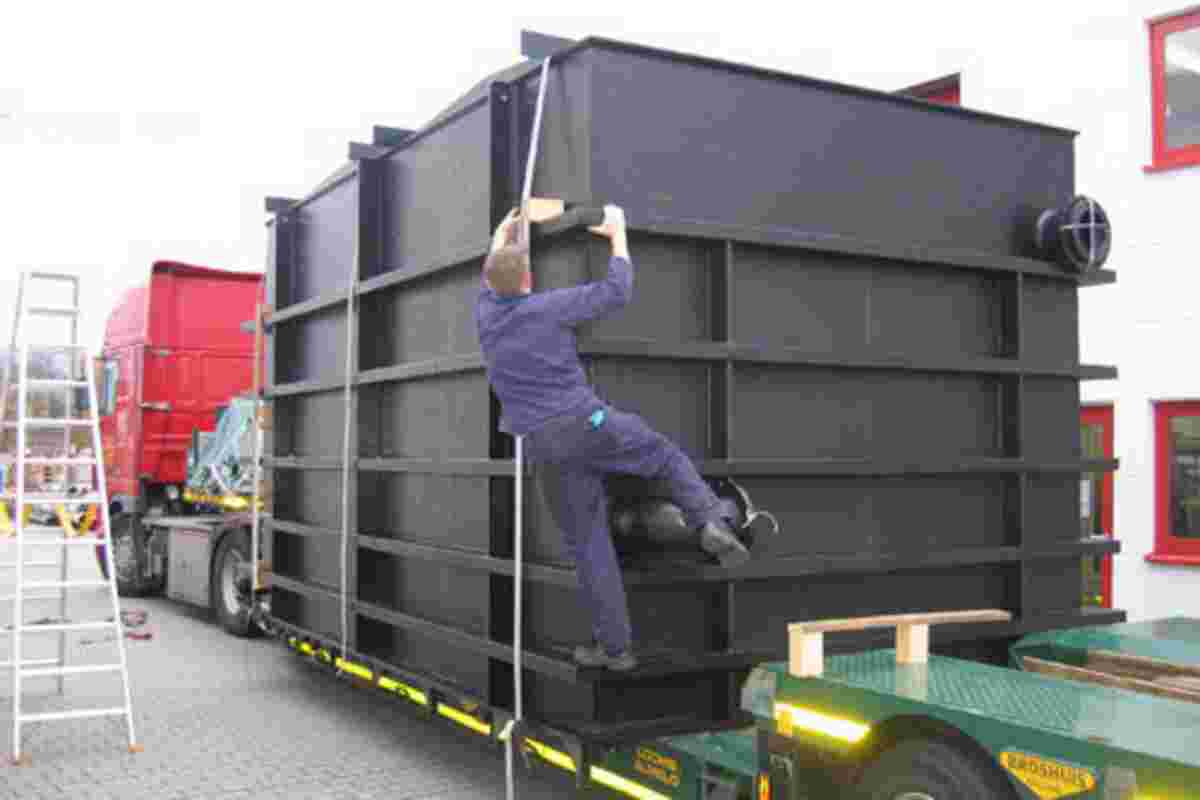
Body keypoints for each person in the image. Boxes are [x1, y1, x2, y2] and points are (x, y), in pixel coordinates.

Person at [475, 205, 754, 671]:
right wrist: (618, 234)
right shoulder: (548, 308)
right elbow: (617, 290)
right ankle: (707, 520)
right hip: (590, 424)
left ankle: (616, 650)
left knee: (588, 545)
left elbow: (492, 276)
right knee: (664, 455)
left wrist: (502, 235)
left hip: (544, 447)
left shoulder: (486, 317)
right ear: (528, 282)